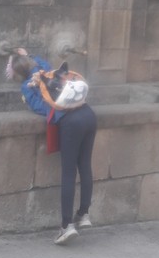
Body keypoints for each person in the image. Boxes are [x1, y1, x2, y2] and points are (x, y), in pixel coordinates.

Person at [8, 49, 97, 246]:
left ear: (17, 74)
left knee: (68, 173)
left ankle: (67, 226)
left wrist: (31, 98)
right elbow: (41, 63)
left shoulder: (27, 85)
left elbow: (40, 108)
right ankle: (84, 213)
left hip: (71, 122)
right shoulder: (46, 71)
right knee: (85, 166)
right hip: (88, 114)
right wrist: (29, 54)